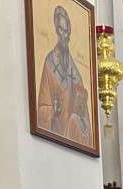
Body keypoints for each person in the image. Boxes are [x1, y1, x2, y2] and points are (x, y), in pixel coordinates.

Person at [37, 5, 92, 142]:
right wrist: (53, 110)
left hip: (71, 136)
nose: (64, 35)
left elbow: (84, 112)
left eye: (66, 31)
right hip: (56, 135)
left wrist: (80, 107)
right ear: (56, 30)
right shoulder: (49, 63)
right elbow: (42, 108)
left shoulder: (74, 71)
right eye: (61, 29)